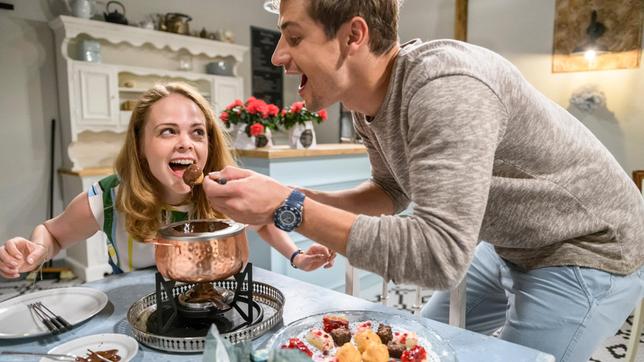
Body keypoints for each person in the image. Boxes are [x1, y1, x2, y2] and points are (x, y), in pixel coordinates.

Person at [201, 1, 644, 361]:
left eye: (294, 37)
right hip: (514, 241)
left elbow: (439, 255)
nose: (278, 54)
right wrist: (290, 196)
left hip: (589, 248)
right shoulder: (366, 103)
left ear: (354, 36)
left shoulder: (445, 86)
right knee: (427, 341)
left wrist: (289, 208)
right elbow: (390, 191)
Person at [0, 82, 335, 279]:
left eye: (198, 132)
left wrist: (297, 257)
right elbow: (53, 234)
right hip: (137, 320)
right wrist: (35, 251)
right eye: (167, 131)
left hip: (215, 312)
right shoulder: (110, 198)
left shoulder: (223, 190)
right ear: (141, 147)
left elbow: (261, 223)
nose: (185, 142)